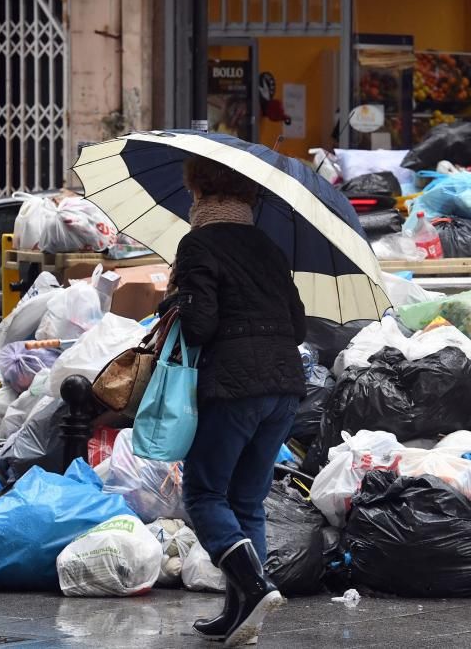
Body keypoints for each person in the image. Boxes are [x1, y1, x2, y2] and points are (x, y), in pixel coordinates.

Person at [162, 156, 307, 647]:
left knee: (204, 494)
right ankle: (241, 615)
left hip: (234, 386)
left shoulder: (198, 243)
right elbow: (299, 324)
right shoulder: (268, 246)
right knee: (248, 501)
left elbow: (201, 326)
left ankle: (254, 585)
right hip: (285, 386)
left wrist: (179, 298)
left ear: (199, 193)